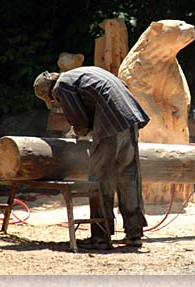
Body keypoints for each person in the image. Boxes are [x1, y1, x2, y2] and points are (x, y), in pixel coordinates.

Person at [33, 66, 150, 249]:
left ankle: (100, 237)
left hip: (111, 124)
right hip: (130, 121)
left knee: (99, 181)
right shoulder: (83, 73)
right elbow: (121, 87)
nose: (56, 101)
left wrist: (76, 133)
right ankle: (134, 234)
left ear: (48, 91)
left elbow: (79, 121)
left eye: (53, 100)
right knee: (128, 178)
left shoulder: (61, 86)